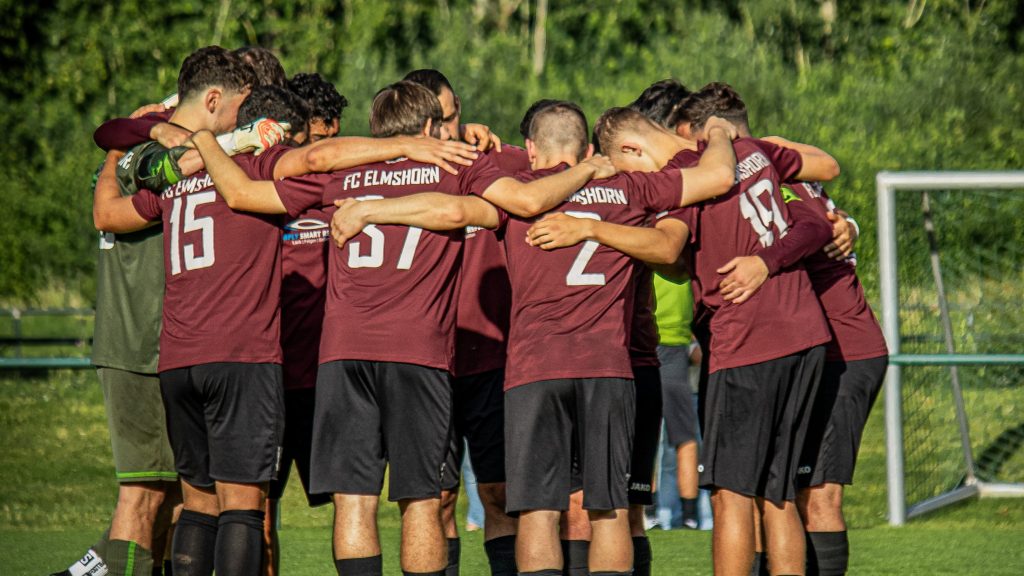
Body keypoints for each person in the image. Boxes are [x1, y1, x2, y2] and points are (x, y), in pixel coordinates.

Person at [182, 80, 613, 576]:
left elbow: (240, 194)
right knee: (422, 500)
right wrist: (587, 168)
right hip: (417, 353)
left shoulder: (347, 170)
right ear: (431, 127)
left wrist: (206, 141)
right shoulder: (453, 165)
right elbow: (526, 202)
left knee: (354, 501)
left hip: (341, 354)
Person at [330, 100, 738, 575]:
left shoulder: (519, 195)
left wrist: (370, 210)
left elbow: (451, 209)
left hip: (533, 373)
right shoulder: (632, 188)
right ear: (588, 150)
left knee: (538, 514)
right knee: (609, 512)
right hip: (607, 369)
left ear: (530, 149)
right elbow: (718, 177)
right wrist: (719, 133)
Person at [90, 55, 320, 576]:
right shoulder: (248, 161)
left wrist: (127, 144)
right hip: (231, 353)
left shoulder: (170, 170)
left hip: (177, 356)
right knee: (239, 507)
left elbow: (109, 201)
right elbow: (313, 162)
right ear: (216, 99)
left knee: (196, 505)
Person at [593, 105, 839, 576]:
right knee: (778, 493)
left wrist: (595, 229)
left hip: (749, 341)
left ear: (631, 148)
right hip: (805, 332)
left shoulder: (685, 177)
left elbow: (667, 246)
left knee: (731, 496)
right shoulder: (750, 150)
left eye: (628, 171)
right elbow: (818, 187)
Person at [683, 82, 888, 576]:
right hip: (800, 345)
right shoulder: (764, 167)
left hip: (841, 350)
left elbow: (819, 221)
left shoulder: (769, 170)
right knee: (770, 490)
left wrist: (770, 259)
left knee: (814, 494)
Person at [404, 68, 520, 576]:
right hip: (427, 362)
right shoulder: (395, 175)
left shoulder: (494, 163)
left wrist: (500, 145)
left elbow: (548, 161)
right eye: (439, 122)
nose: (448, 130)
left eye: (453, 117)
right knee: (438, 498)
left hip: (493, 359)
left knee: (500, 493)